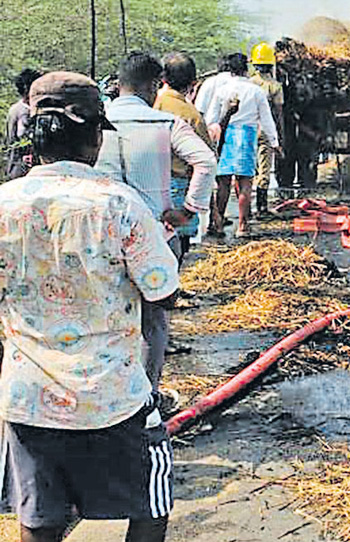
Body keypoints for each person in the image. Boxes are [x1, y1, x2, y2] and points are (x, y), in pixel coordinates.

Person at [0, 71, 179, 542]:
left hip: (29, 400)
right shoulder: (119, 204)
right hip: (113, 397)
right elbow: (162, 292)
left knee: (39, 520)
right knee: (151, 505)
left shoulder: (3, 203)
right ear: (95, 137)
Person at [95, 51, 216, 389]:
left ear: (118, 84)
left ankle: (113, 391)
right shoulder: (164, 122)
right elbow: (206, 162)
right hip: (156, 235)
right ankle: (148, 396)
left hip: (99, 237)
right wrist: (189, 210)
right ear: (153, 85)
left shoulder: (94, 123)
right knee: (154, 321)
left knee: (108, 317)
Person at [206, 53, 280, 238]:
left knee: (223, 183)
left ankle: (219, 223)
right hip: (247, 137)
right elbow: (267, 119)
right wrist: (274, 142)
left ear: (230, 70)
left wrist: (209, 140)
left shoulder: (222, 90)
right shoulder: (256, 91)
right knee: (245, 183)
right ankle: (242, 226)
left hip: (225, 137)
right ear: (246, 69)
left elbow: (211, 118)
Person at [154, 52, 215, 260]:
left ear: (162, 78)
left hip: (148, 181)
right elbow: (206, 156)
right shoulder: (191, 114)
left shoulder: (149, 103)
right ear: (193, 83)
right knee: (179, 242)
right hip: (178, 184)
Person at [250, 41, 285, 217]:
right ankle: (262, 208)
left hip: (248, 129)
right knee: (264, 168)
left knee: (250, 167)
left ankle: (247, 207)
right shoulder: (275, 86)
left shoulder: (249, 83)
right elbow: (278, 113)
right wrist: (280, 134)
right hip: (265, 130)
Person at [3, 68, 42, 180]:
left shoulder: (16, 108)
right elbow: (17, 138)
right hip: (21, 170)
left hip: (26, 167)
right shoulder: (21, 111)